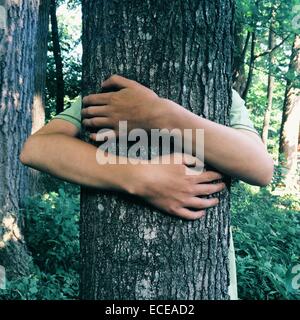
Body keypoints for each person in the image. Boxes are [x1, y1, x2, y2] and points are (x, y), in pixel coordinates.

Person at [20, 74, 274, 299]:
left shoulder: (221, 92)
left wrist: (159, 115)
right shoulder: (108, 93)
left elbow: (260, 168)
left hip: (208, 281)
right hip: (114, 274)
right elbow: (36, 150)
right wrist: (143, 177)